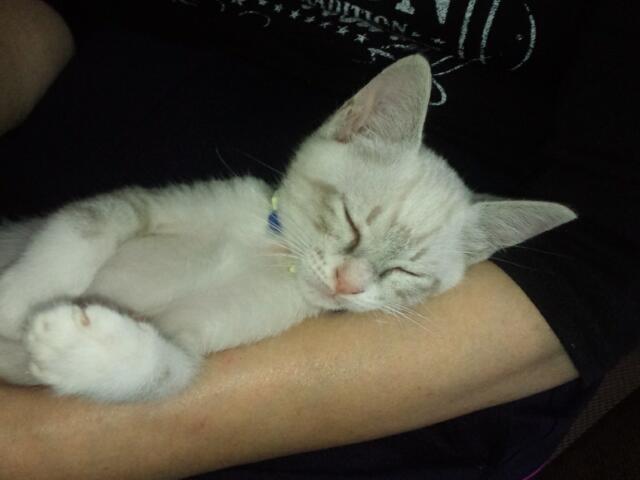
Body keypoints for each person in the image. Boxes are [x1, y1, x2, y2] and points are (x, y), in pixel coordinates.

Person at [0, 1, 638, 478]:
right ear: (350, 127)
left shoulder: (290, 303)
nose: (350, 282)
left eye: (402, 276)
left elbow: (179, 357)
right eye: (352, 231)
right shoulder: (249, 203)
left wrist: (120, 377)